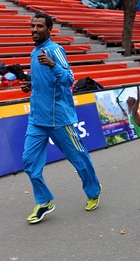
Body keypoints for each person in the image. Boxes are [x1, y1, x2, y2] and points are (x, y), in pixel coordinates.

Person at [20, 12, 101, 224]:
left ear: (49, 29)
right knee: (29, 162)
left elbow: (69, 79)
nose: (34, 29)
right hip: (37, 119)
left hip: (59, 119)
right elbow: (44, 82)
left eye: (39, 26)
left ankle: (93, 191)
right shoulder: (34, 52)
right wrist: (31, 85)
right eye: (32, 26)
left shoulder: (56, 51)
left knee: (79, 159)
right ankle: (44, 201)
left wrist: (52, 65)